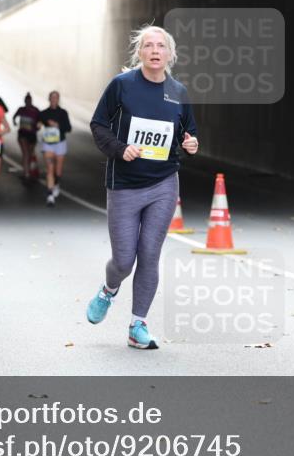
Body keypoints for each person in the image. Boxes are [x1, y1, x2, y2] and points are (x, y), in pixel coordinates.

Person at [86, 25, 199, 349]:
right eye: (148, 45)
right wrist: (120, 148)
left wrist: (191, 143)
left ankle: (138, 325)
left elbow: (187, 133)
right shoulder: (122, 85)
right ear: (140, 52)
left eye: (160, 46)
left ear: (170, 53)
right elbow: (99, 124)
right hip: (124, 184)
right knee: (124, 260)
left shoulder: (178, 92)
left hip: (164, 183)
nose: (154, 51)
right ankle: (108, 290)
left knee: (150, 254)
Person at [38, 90, 72, 206]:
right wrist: (38, 125)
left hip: (60, 143)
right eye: (52, 97)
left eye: (56, 97)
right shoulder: (43, 113)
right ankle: (50, 195)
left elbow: (68, 128)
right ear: (49, 99)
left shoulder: (63, 113)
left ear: (58, 99)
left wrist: (58, 125)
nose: (54, 99)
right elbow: (37, 125)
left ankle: (56, 183)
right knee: (50, 169)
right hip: (48, 144)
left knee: (58, 172)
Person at [13, 93, 41, 183]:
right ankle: (26, 173)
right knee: (26, 153)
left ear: (31, 100)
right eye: (26, 100)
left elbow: (41, 120)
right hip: (22, 134)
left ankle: (29, 171)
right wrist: (15, 122)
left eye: (29, 100)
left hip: (32, 134)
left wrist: (38, 126)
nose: (28, 102)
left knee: (30, 154)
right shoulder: (21, 109)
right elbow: (14, 116)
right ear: (25, 101)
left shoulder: (36, 110)